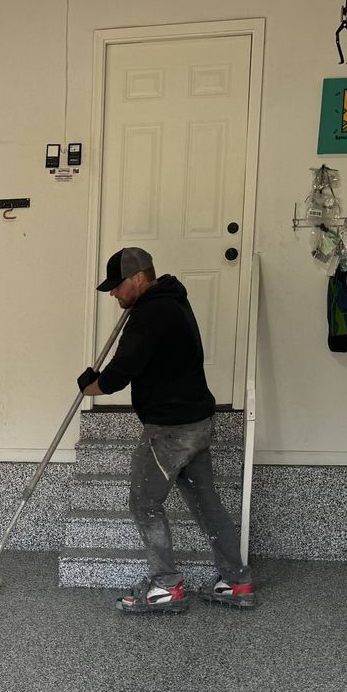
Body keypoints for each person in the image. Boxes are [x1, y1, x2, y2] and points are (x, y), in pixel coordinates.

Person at [81, 246, 255, 615]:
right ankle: (236, 581)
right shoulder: (174, 302)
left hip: (170, 429)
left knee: (143, 503)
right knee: (207, 505)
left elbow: (119, 374)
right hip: (197, 422)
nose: (113, 293)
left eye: (117, 285)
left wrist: (90, 386)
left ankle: (165, 586)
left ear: (138, 278)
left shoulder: (149, 313)